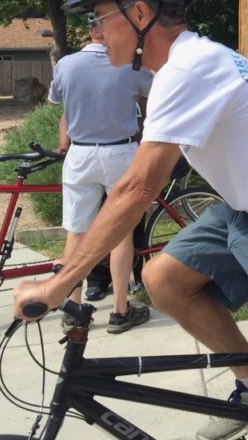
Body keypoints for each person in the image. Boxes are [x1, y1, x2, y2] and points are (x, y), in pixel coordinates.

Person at [14, 0, 248, 440]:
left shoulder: (188, 70)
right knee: (163, 279)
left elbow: (137, 187)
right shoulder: (190, 62)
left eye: (99, 18)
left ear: (139, 15)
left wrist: (58, 283)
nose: (94, 32)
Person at [48, 20, 154, 333]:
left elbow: (63, 108)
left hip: (81, 154)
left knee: (77, 232)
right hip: (120, 152)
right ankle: (120, 309)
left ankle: (74, 306)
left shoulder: (66, 65)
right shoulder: (127, 64)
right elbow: (152, 93)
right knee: (120, 232)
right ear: (107, 31)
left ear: (89, 31)